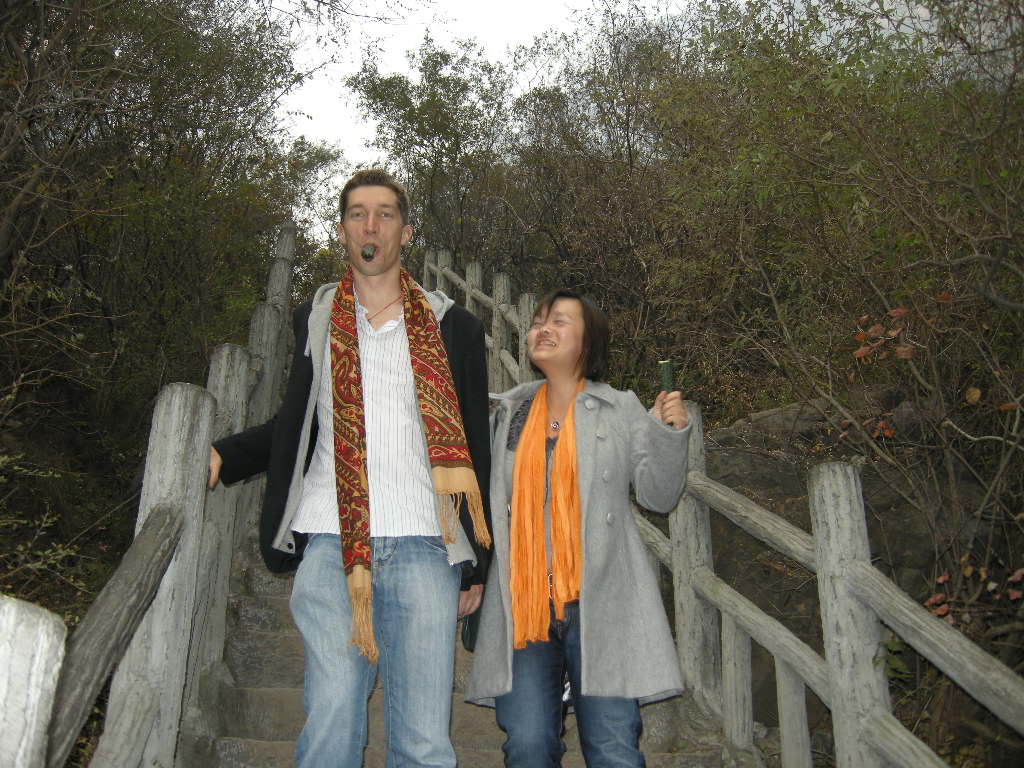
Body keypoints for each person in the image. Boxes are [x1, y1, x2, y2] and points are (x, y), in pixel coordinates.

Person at [207, 169, 492, 768]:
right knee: (333, 713)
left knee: (421, 738)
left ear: (405, 232)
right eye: (358, 213)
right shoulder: (315, 323)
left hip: (427, 542)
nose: (371, 224)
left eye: (385, 213)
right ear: (342, 232)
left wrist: (477, 567)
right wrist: (226, 456)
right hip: (332, 539)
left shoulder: (455, 329)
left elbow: (473, 445)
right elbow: (294, 426)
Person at [465, 289, 689, 767]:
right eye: (539, 321)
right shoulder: (508, 414)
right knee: (526, 745)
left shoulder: (620, 408)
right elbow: (480, 503)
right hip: (524, 607)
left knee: (612, 747)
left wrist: (670, 436)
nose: (542, 328)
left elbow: (657, 495)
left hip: (599, 601)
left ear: (588, 343)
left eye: (560, 321)